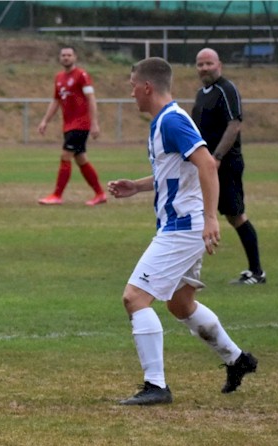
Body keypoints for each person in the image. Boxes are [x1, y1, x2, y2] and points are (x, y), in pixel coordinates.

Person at [108, 57, 257, 405]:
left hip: (182, 228)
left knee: (134, 298)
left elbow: (206, 163)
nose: (131, 93)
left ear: (146, 87)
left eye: (132, 86)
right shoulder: (162, 122)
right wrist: (137, 186)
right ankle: (237, 360)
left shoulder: (172, 120)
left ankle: (156, 386)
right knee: (180, 303)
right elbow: (174, 174)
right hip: (181, 226)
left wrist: (210, 218)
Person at [192, 48, 266, 285]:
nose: (204, 68)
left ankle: (257, 272)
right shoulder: (201, 94)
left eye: (208, 63)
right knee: (196, 213)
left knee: (236, 216)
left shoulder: (227, 89)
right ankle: (188, 274)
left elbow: (234, 124)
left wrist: (217, 157)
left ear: (219, 64)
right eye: (200, 64)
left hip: (226, 165)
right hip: (205, 166)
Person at [37, 45, 106, 206]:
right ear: (60, 58)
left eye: (69, 55)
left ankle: (57, 195)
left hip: (81, 124)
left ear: (75, 57)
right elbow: (56, 101)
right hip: (68, 125)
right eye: (63, 55)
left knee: (65, 156)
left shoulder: (81, 75)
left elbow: (91, 98)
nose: (66, 57)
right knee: (81, 159)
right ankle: (100, 194)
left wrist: (94, 122)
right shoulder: (59, 77)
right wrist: (45, 120)